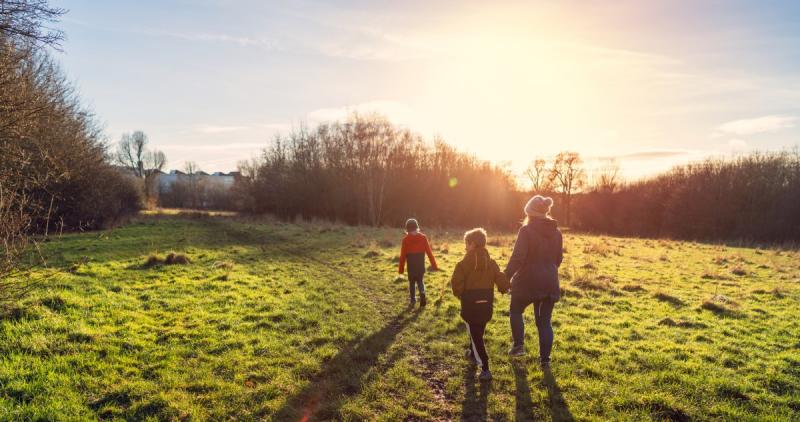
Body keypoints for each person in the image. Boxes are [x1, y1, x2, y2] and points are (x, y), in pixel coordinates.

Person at [505, 195, 563, 368]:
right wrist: (548, 271)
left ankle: (519, 346)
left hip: (527, 281)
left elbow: (518, 258)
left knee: (516, 310)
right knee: (544, 322)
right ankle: (545, 361)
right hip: (550, 281)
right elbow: (558, 259)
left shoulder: (526, 230)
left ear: (529, 212)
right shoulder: (557, 232)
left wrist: (506, 276)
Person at [451, 228, 510, 381]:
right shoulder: (492, 263)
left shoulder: (463, 264)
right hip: (487, 303)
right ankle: (472, 352)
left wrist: (460, 293)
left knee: (476, 335)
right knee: (478, 331)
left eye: (466, 244)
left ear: (472, 244)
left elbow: (456, 284)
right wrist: (505, 288)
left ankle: (485, 368)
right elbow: (500, 278)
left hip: (470, 303)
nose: (465, 247)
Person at [398, 218, 439, 306]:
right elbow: (429, 253)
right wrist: (434, 266)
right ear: (417, 227)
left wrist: (401, 270)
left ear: (407, 228)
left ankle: (413, 300)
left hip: (411, 266)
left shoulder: (405, 240)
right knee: (420, 281)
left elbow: (402, 256)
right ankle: (422, 292)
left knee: (411, 282)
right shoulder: (423, 237)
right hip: (420, 265)